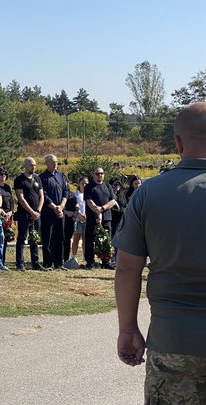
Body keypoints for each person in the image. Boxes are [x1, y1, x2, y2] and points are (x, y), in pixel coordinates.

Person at [113, 101, 206, 403]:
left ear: (178, 143)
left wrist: (128, 330)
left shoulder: (148, 194)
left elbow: (127, 268)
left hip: (172, 341)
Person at [13, 157, 46, 271]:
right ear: (25, 166)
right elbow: (20, 198)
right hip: (24, 214)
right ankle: (20, 263)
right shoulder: (19, 180)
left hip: (37, 214)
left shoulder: (37, 179)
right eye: (31, 165)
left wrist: (38, 211)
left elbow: (41, 196)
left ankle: (35, 263)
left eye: (35, 165)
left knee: (35, 238)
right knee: (22, 238)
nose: (34, 167)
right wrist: (31, 211)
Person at [39, 154, 69, 271]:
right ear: (47, 163)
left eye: (57, 161)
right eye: (53, 162)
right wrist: (54, 207)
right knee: (48, 238)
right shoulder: (42, 177)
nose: (56, 163)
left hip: (60, 211)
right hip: (48, 212)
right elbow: (44, 195)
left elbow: (66, 192)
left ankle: (59, 262)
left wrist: (61, 206)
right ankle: (48, 262)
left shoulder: (61, 175)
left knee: (60, 237)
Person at [84, 167, 117, 270]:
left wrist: (102, 208)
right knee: (90, 240)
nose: (100, 175)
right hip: (92, 218)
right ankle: (90, 262)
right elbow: (89, 201)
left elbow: (113, 201)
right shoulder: (89, 187)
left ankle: (106, 262)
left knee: (106, 240)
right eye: (97, 173)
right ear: (93, 175)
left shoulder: (108, 186)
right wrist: (97, 212)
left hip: (107, 218)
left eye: (102, 173)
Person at [64, 177, 88, 269]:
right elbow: (76, 206)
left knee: (85, 239)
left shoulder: (89, 194)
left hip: (87, 219)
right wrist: (79, 214)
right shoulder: (76, 194)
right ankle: (74, 257)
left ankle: (86, 258)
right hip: (78, 219)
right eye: (83, 183)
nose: (84, 185)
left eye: (86, 183)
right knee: (76, 238)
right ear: (79, 184)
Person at [0, 166, 13, 269]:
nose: (3, 176)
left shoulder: (7, 187)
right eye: (1, 174)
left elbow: (11, 201)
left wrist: (11, 212)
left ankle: (2, 261)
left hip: (8, 216)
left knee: (5, 239)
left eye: (5, 174)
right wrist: (3, 213)